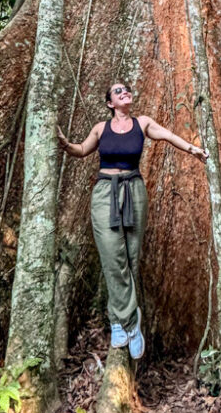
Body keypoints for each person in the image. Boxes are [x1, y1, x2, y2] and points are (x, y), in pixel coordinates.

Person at [57, 80, 209, 359]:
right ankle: (126, 322)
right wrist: (64, 143)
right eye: (118, 91)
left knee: (131, 256)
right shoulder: (100, 128)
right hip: (105, 193)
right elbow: (81, 150)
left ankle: (122, 319)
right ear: (110, 103)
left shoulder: (143, 123)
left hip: (134, 192)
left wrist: (193, 149)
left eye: (126, 89)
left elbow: (168, 135)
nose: (124, 91)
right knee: (111, 256)